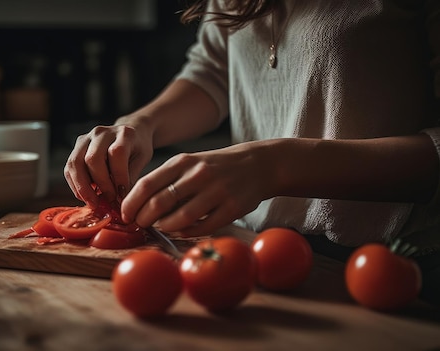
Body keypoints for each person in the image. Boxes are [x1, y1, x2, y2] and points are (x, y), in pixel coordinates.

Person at [64, 0, 440, 305]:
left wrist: (274, 166)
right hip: (254, 252)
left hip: (398, 269)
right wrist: (140, 124)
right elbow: (211, 72)